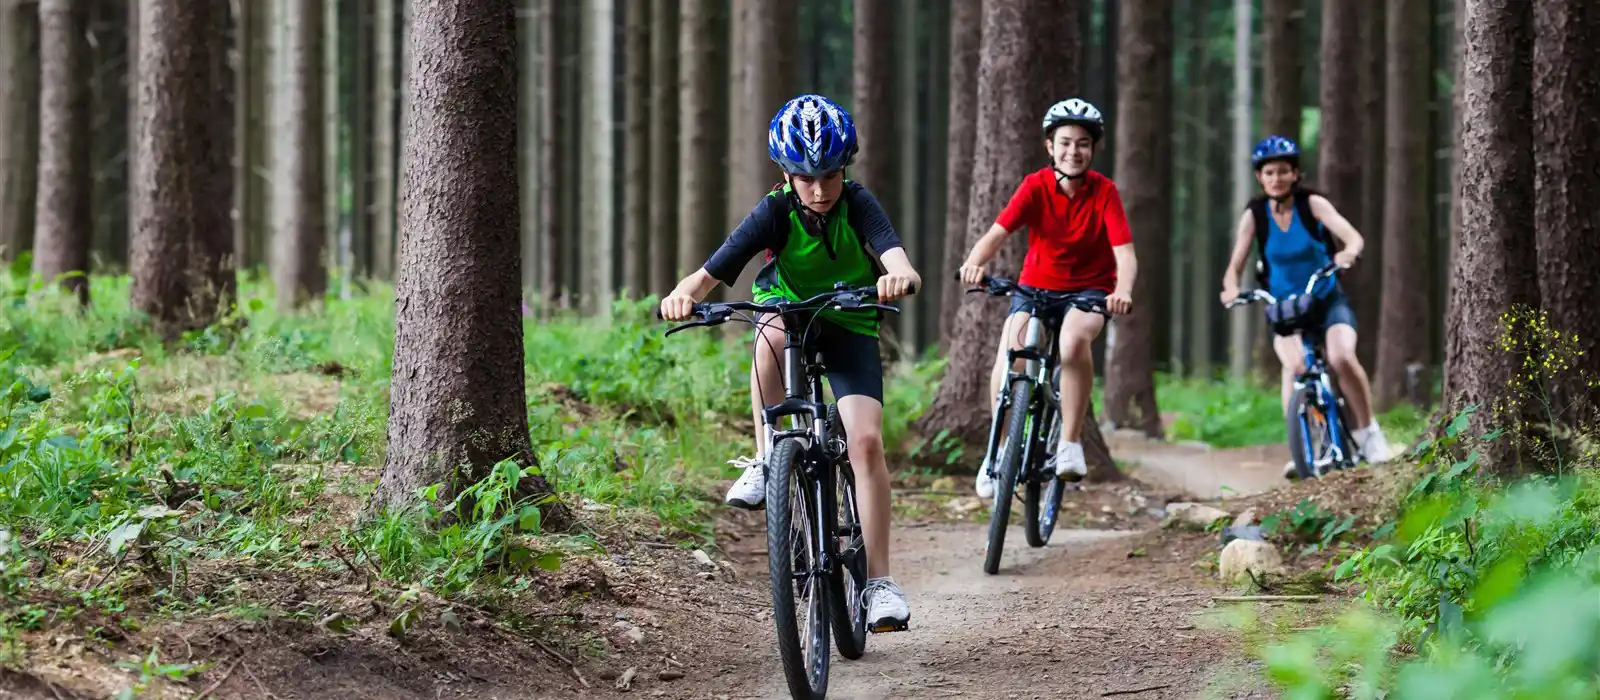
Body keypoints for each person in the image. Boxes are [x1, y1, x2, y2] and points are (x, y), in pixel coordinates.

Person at [659, 94, 919, 631]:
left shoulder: (858, 204)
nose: (819, 189)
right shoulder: (774, 209)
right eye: (805, 178)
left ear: (845, 169)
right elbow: (714, 269)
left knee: (865, 441)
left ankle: (879, 583)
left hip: (848, 322)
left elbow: (896, 258)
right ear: (786, 174)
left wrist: (899, 277)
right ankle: (766, 455)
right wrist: (682, 293)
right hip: (790, 317)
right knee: (768, 329)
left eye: (829, 175)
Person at [957, 98, 1136, 498]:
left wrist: (1122, 291)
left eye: (1084, 143)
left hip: (1091, 290)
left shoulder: (1105, 192)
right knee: (1010, 354)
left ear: (1094, 149)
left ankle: (1069, 445)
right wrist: (974, 263)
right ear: (1050, 146)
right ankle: (998, 452)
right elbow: (998, 232)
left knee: (1073, 342)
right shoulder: (1035, 185)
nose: (1075, 151)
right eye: (1066, 142)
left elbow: (1124, 252)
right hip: (1035, 287)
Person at [1219, 135, 1392, 476]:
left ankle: (1369, 433)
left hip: (1326, 300)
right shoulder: (1255, 215)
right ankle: (1303, 448)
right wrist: (1230, 289)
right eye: (1269, 172)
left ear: (1296, 173)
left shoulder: (1311, 204)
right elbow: (1235, 264)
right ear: (1259, 177)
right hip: (1285, 310)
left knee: (1341, 357)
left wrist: (1347, 253)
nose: (1276, 178)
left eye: (1283, 171)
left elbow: (1352, 236)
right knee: (1295, 368)